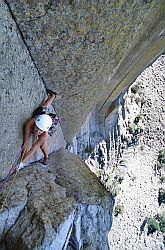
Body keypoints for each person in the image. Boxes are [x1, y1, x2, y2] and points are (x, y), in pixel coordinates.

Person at [16, 90, 57, 171]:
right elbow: (25, 143)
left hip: (45, 121)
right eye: (37, 128)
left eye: (41, 130)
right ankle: (53, 96)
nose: (38, 132)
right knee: (44, 106)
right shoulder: (28, 125)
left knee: (42, 146)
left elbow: (33, 150)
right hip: (40, 116)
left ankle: (46, 156)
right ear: (35, 124)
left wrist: (22, 163)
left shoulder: (44, 134)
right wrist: (22, 162)